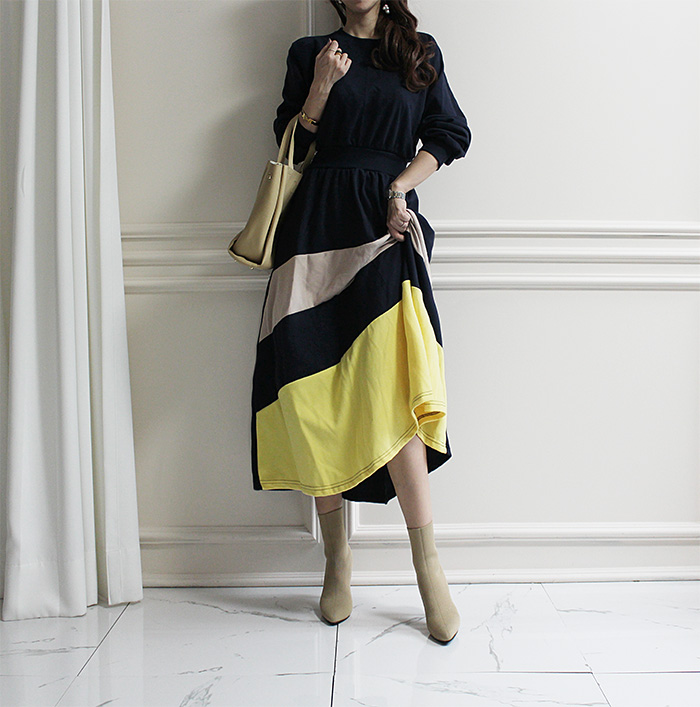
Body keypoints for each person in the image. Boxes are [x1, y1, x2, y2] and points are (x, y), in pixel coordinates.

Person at [249, 0, 471, 643]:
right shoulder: (311, 53)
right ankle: (337, 561)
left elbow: (449, 135)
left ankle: (428, 569)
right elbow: (293, 144)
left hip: (384, 227)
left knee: (395, 392)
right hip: (314, 230)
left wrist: (399, 190)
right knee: (313, 394)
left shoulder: (418, 51)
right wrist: (321, 84)